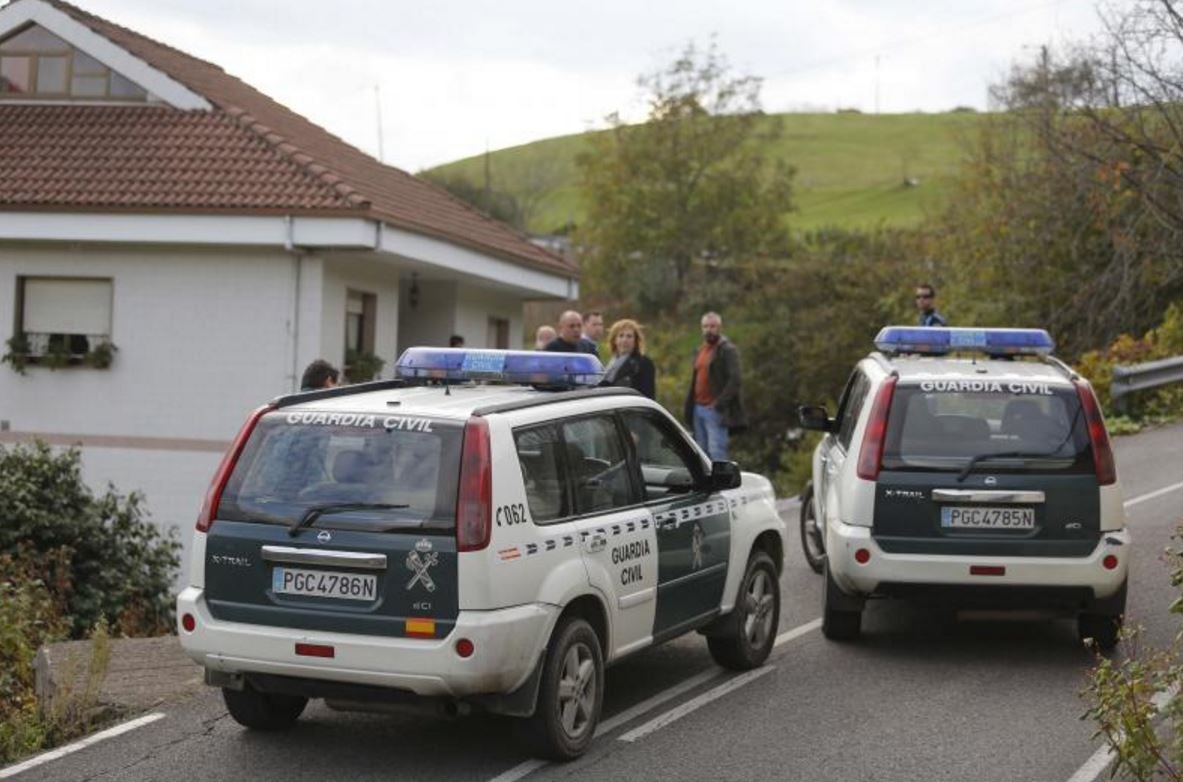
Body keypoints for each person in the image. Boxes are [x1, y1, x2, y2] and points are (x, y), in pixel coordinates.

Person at [683, 312, 745, 461]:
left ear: (719, 328)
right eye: (705, 326)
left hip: (715, 409)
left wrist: (719, 403)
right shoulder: (700, 350)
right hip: (698, 408)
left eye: (712, 326)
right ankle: (706, 485)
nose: (709, 330)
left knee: (717, 451)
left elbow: (735, 379)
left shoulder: (727, 350)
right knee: (701, 453)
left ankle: (722, 484)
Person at [600, 319, 656, 399]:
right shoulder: (610, 364)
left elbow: (648, 395)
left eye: (629, 336)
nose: (624, 340)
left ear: (635, 341)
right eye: (621, 336)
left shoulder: (644, 363)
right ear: (614, 340)